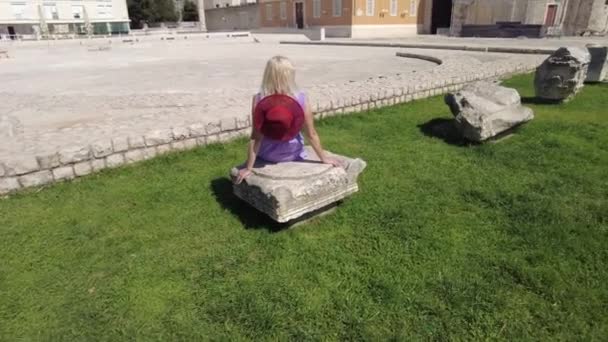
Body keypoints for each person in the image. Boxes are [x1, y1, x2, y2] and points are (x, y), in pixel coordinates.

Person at [234, 56, 340, 184]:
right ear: (290, 75)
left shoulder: (258, 99)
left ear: (268, 74)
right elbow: (310, 133)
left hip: (267, 154)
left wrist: (248, 167)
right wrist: (324, 158)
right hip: (293, 152)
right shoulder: (301, 98)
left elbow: (256, 137)